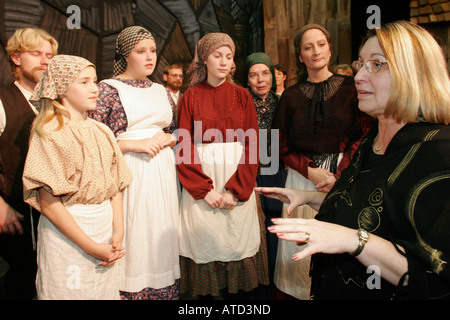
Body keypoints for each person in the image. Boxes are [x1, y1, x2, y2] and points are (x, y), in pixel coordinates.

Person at [256, 20, 450, 300]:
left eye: (378, 64)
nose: (358, 77)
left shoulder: (439, 153)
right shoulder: (374, 139)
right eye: (361, 64)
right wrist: (308, 196)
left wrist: (351, 240)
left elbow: (434, 279)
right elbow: (368, 207)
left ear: (414, 73)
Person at [270, 23, 372, 300]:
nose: (316, 51)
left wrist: (340, 173)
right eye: (307, 47)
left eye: (321, 44)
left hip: (344, 176)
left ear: (329, 48)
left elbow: (364, 135)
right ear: (300, 56)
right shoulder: (290, 96)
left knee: (339, 247)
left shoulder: (352, 89)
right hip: (301, 179)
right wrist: (310, 171)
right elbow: (280, 145)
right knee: (299, 251)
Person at [22, 54, 132, 300]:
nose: (94, 88)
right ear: (61, 87)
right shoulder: (50, 132)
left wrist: (118, 231)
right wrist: (91, 247)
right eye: (84, 82)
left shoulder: (102, 130)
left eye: (94, 81)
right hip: (68, 234)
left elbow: (115, 186)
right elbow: (50, 205)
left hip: (104, 227)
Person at [176, 33, 269, 299]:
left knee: (236, 242)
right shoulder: (190, 96)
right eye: (218, 56)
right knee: (203, 244)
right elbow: (183, 146)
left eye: (229, 57)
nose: (224, 62)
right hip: (201, 185)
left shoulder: (242, 96)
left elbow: (252, 147)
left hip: (235, 182)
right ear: (204, 59)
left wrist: (236, 191)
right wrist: (204, 190)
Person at [90, 26, 180, 300]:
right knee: (135, 231)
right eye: (141, 51)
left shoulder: (162, 91)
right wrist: (130, 144)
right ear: (125, 55)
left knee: (161, 231)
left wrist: (167, 140)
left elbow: (175, 132)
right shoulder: (107, 89)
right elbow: (92, 142)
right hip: (130, 171)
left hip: (162, 173)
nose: (149, 57)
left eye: (152, 51)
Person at [0, 27, 57, 299]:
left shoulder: (57, 104)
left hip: (51, 216)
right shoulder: (2, 100)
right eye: (36, 54)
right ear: (15, 58)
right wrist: (0, 207)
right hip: (13, 215)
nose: (45, 60)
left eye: (49, 55)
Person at [244, 52, 287, 298]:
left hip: (275, 171)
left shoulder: (283, 102)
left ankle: (274, 282)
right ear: (246, 79)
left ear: (273, 75)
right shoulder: (240, 102)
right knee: (251, 227)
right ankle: (253, 284)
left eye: (265, 73)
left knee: (274, 224)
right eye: (253, 75)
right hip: (246, 171)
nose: (260, 79)